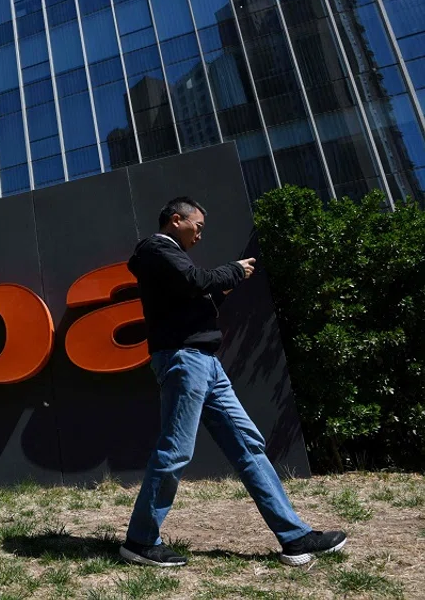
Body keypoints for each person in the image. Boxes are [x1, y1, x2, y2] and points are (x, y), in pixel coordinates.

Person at [118, 197, 346, 568]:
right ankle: (141, 541)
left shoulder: (169, 260)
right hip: (183, 360)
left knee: (249, 445)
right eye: (198, 226)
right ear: (176, 220)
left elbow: (193, 294)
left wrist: (215, 293)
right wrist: (232, 272)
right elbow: (196, 280)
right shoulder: (156, 248)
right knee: (176, 451)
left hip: (206, 363)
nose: (200, 234)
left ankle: (294, 536)